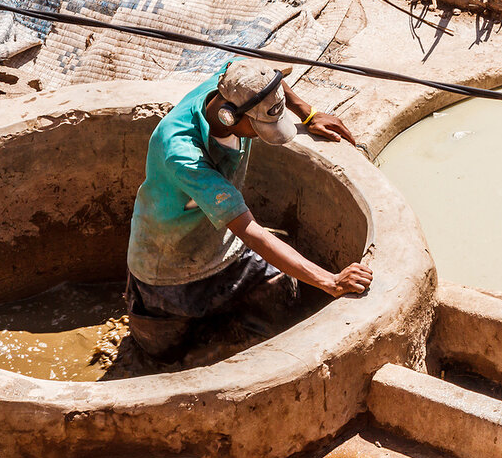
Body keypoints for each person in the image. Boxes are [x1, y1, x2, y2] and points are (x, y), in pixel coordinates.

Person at [124, 60, 374, 360]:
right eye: (257, 128)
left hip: (222, 247)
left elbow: (268, 77)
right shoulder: (182, 154)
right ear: (228, 116)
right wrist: (329, 281)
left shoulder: (233, 83)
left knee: (284, 294)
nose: (258, 135)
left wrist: (307, 114)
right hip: (167, 270)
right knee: (166, 356)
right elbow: (251, 232)